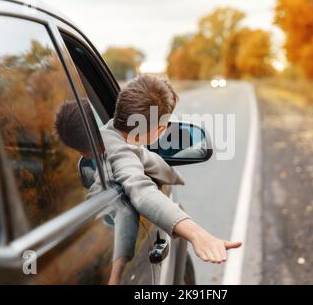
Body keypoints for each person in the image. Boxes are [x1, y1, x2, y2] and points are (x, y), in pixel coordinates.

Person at [55, 75, 242, 282]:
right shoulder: (119, 150)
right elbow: (142, 192)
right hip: (94, 236)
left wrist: (175, 177)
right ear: (160, 130)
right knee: (126, 213)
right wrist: (198, 234)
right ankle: (114, 278)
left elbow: (147, 158)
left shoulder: (108, 133)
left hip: (81, 237)